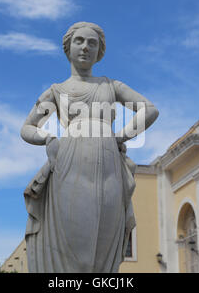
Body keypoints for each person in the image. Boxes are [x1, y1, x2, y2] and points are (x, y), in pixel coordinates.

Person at [21, 22, 159, 272]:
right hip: (70, 164)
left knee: (104, 248)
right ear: (68, 47)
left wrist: (122, 136)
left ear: (100, 50)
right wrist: (47, 138)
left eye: (92, 43)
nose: (86, 47)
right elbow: (27, 127)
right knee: (76, 248)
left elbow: (149, 110)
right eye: (80, 41)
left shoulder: (110, 86)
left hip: (109, 166)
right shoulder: (57, 91)